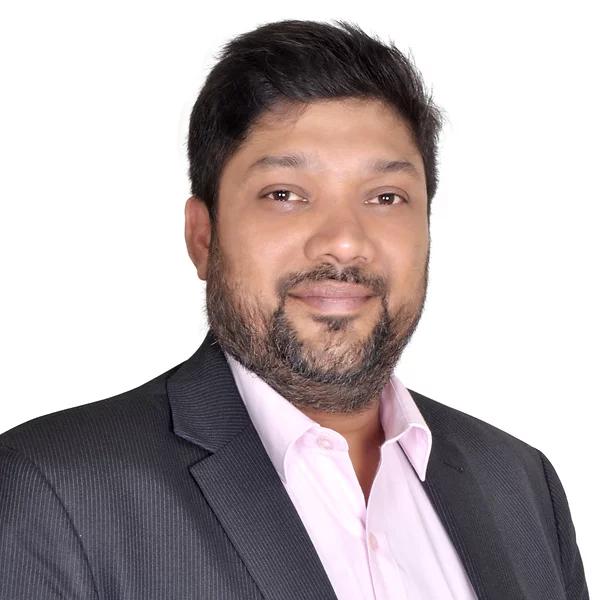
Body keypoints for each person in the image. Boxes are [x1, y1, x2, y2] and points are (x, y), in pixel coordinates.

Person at [0, 19, 588, 600]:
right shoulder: (53, 489)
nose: (344, 241)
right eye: (285, 195)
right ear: (203, 237)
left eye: (386, 197)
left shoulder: (519, 485)